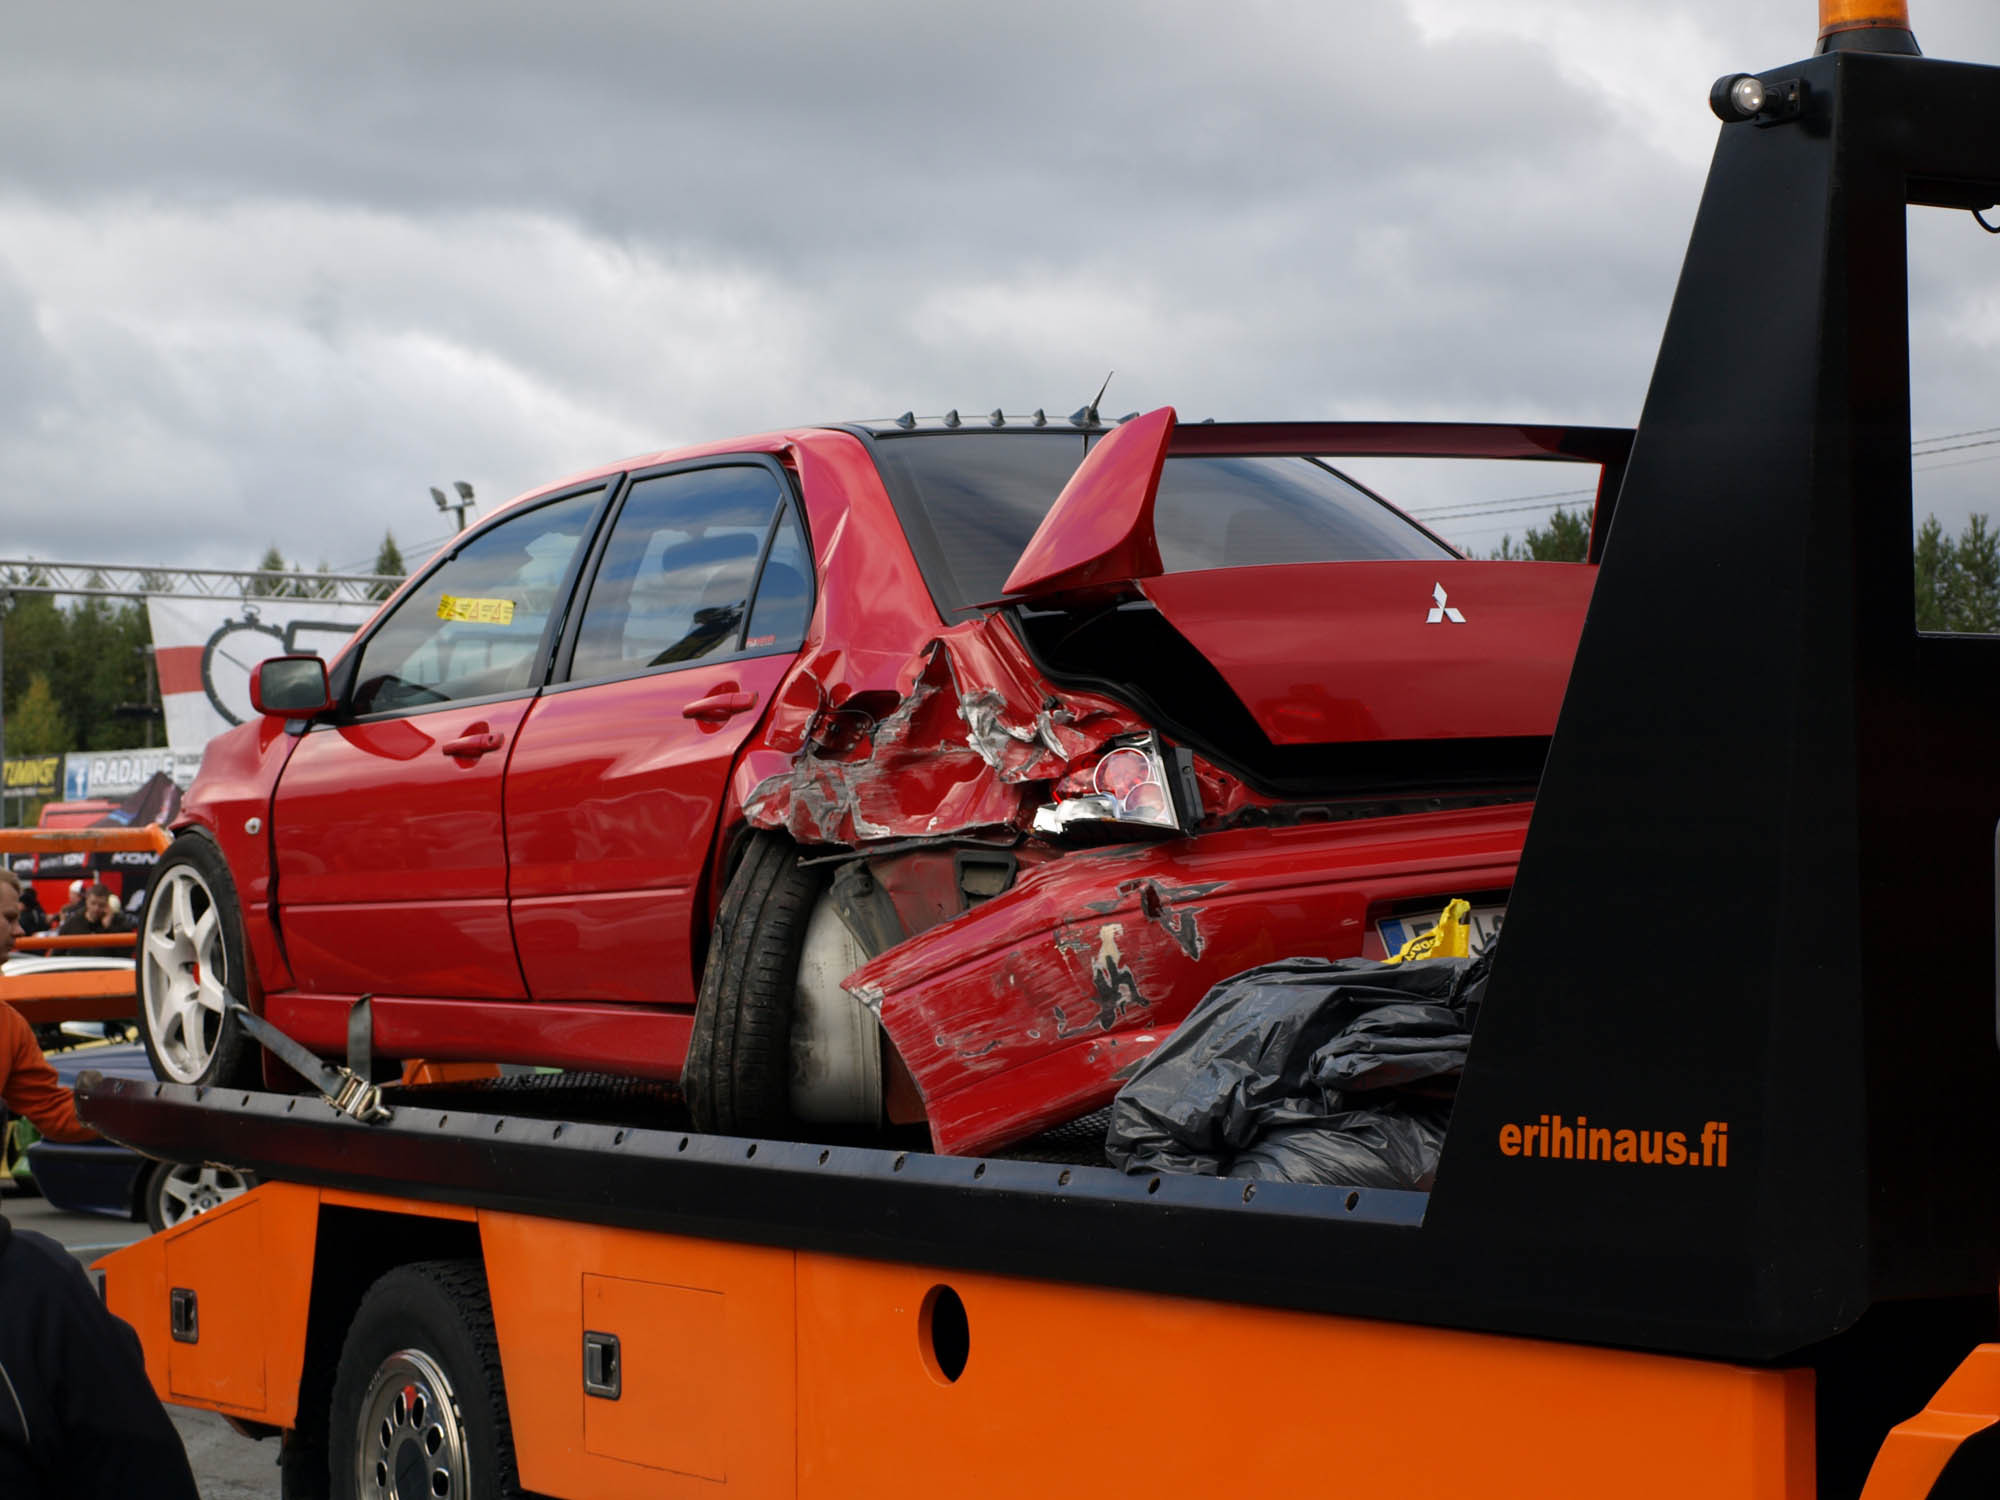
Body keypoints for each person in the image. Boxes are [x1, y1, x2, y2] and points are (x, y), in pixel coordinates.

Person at [0, 864, 199, 1496]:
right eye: (7, 916)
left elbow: (57, 1114)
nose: (17, 928)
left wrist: (151, 1116)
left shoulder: (7, 1025)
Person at [56, 883, 130, 938]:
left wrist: (108, 928)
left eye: (101, 905)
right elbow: (57, 951)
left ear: (108, 905)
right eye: (93, 903)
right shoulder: (74, 922)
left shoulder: (118, 923)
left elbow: (124, 953)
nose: (96, 908)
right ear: (86, 901)